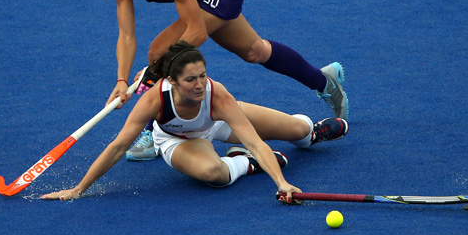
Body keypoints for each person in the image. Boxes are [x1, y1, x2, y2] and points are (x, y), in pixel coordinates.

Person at [104, 0, 349, 160]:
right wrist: (122, 79)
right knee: (256, 51)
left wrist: (156, 70)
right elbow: (126, 34)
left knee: (159, 52)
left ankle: (151, 132)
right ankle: (323, 80)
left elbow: (197, 32)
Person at [41, 42, 348, 202]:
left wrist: (281, 183)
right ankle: (244, 163)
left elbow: (254, 138)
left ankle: (311, 133)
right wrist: (79, 188)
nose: (200, 84)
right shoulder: (153, 101)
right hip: (177, 140)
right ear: (172, 81)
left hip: (215, 122)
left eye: (203, 75)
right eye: (191, 79)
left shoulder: (217, 95)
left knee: (298, 131)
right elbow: (119, 145)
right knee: (214, 174)